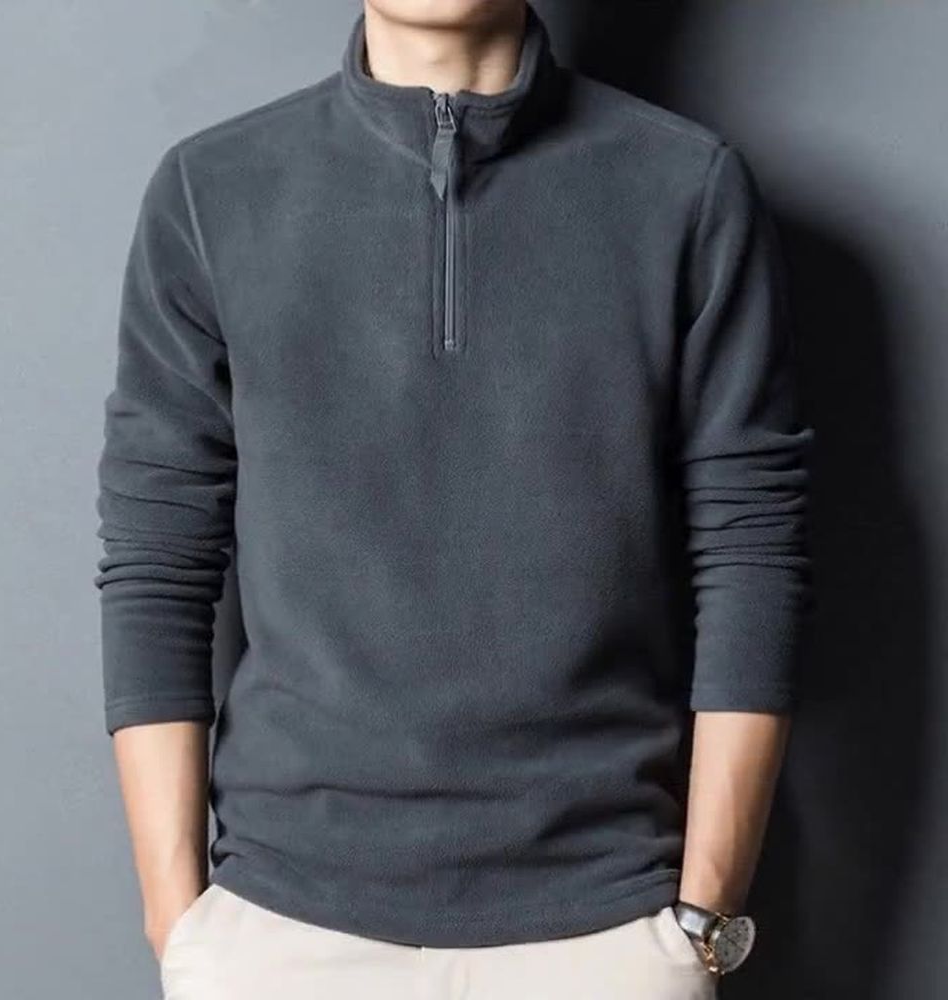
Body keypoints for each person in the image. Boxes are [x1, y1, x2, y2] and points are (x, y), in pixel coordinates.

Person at [93, 2, 814, 997]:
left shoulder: (686, 186)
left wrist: (700, 917)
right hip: (282, 927)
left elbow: (751, 548)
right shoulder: (211, 190)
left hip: (604, 924)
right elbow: (158, 553)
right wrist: (183, 924)